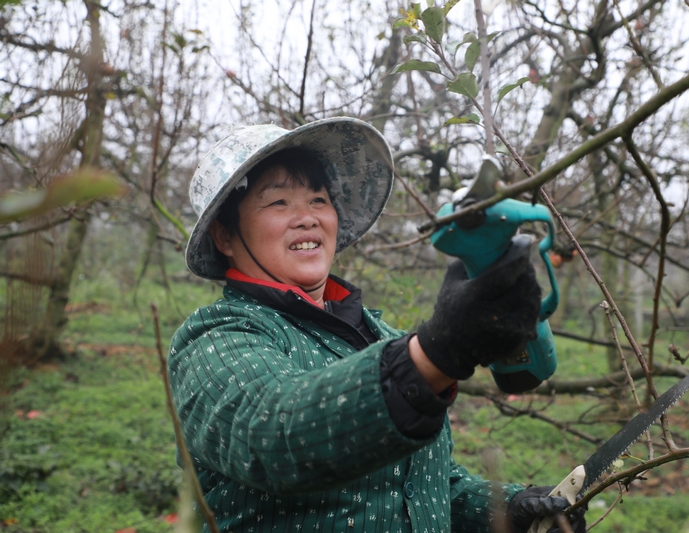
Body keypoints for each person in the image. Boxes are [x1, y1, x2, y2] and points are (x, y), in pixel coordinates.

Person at [169, 117, 587, 533]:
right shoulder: (214, 340)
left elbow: (417, 486)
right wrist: (434, 353)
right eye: (279, 203)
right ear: (225, 236)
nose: (307, 217)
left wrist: (508, 508)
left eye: (318, 200)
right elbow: (275, 434)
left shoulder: (379, 336)